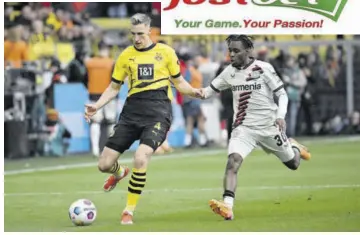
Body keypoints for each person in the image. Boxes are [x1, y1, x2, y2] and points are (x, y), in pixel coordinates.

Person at [84, 13, 201, 225]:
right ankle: (119, 172)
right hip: (131, 113)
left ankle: (128, 210)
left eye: (140, 34)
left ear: (149, 30)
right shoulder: (125, 55)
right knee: (104, 164)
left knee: (140, 157)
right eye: (133, 34)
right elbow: (114, 87)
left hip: (158, 112)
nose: (136, 38)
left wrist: (195, 92)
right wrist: (97, 105)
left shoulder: (165, 52)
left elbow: (179, 82)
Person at [199, 35, 312, 220]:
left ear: (248, 51)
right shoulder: (229, 72)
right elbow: (207, 92)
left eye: (236, 51)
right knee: (233, 161)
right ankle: (227, 206)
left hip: (269, 127)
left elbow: (282, 94)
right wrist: (185, 88)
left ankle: (294, 146)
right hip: (244, 129)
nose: (232, 55)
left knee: (293, 164)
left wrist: (280, 116)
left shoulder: (264, 68)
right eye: (230, 51)